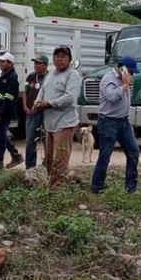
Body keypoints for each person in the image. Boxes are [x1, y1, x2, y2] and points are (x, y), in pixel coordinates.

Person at [90, 56, 141, 194]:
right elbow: (112, 97)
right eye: (130, 71)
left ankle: (131, 187)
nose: (132, 74)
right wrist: (124, 85)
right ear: (122, 68)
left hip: (124, 122)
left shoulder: (126, 79)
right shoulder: (108, 79)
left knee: (134, 152)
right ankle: (97, 188)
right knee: (105, 156)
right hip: (109, 122)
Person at [32, 45, 82, 188]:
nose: (59, 59)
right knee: (49, 159)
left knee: (60, 159)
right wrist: (37, 102)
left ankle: (56, 190)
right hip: (50, 123)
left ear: (69, 59)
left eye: (63, 56)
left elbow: (69, 98)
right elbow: (42, 89)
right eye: (56, 56)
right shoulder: (51, 73)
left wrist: (48, 103)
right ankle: (70, 179)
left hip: (64, 122)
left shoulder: (73, 75)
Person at [0, 52, 23, 170]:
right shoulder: (4, 75)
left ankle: (0, 161)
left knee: (0, 134)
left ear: (10, 63)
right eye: (0, 61)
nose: (0, 63)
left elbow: (8, 99)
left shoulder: (12, 78)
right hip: (0, 110)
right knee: (0, 134)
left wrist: (0, 113)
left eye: (3, 61)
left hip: (6, 112)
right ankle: (15, 154)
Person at [22, 54, 49, 170]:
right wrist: (25, 106)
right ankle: (30, 166)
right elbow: (25, 92)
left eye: (39, 63)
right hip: (31, 113)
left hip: (45, 113)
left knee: (46, 139)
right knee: (30, 140)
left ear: (45, 65)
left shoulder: (50, 77)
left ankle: (47, 164)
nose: (36, 65)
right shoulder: (31, 77)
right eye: (35, 63)